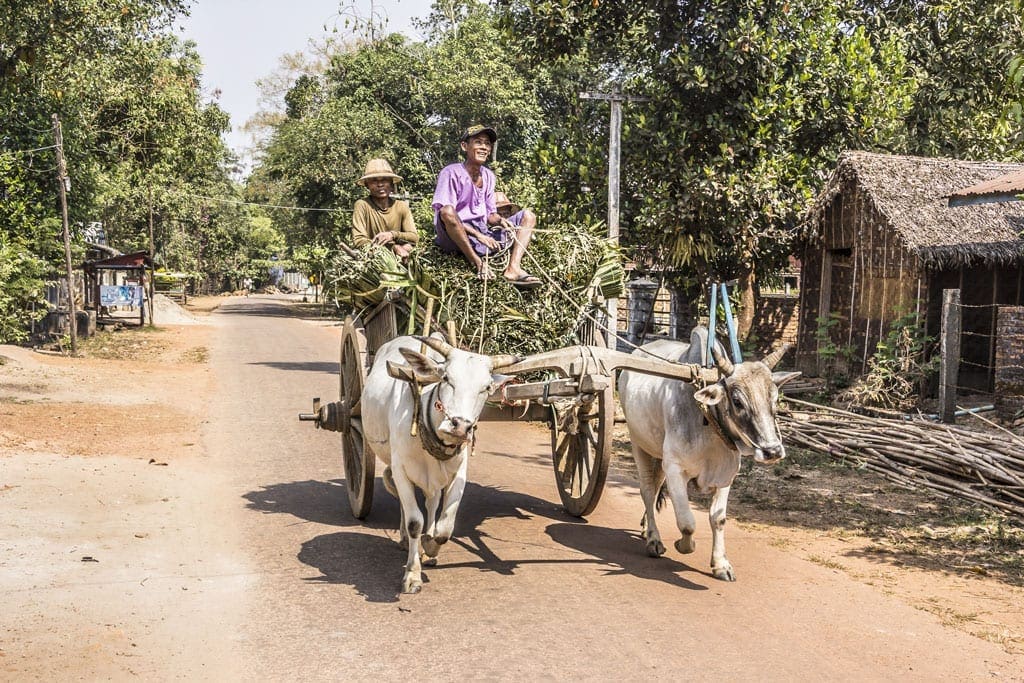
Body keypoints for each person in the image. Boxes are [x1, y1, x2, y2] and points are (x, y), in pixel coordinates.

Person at [432, 125, 540, 288]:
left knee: (528, 216)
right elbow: (447, 215)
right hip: (454, 236)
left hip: (481, 231)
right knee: (447, 211)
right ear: (464, 146)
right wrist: (478, 235)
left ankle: (513, 268)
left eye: (487, 143)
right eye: (478, 142)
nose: (484, 147)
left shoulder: (489, 176)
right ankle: (478, 263)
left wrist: (500, 222)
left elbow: (490, 214)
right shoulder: (451, 172)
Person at [352, 158, 418, 261]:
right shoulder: (362, 205)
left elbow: (414, 237)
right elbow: (359, 241)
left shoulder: (401, 206)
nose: (380, 184)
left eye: (384, 180)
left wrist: (392, 235)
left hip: (401, 259)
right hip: (373, 259)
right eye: (374, 181)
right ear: (367, 185)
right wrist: (393, 248)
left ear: (391, 184)